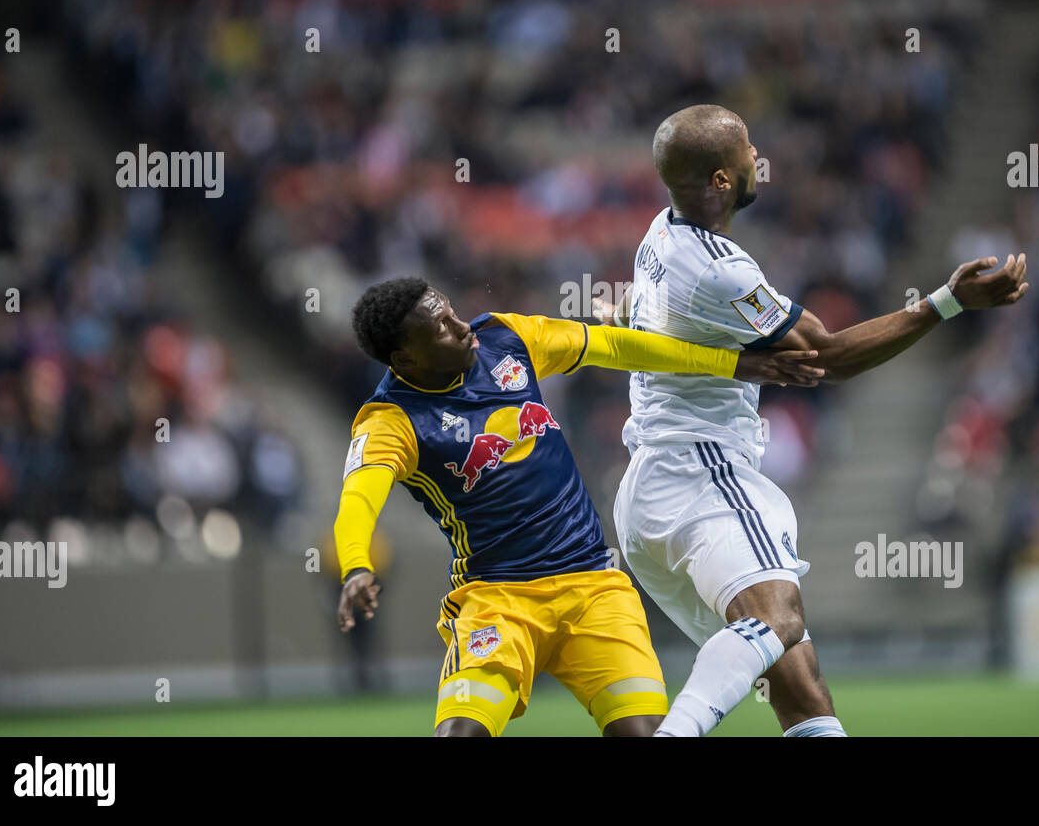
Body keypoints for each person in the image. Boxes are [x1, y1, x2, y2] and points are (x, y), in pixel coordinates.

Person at [599, 104, 1029, 736]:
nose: (757, 156)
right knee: (778, 621)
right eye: (747, 147)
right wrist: (948, 302)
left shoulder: (658, 234)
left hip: (649, 497)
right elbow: (829, 359)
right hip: (701, 474)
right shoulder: (722, 270)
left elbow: (644, 309)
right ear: (721, 179)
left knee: (797, 684)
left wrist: (728, 360)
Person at [333, 277, 824, 736]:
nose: (462, 327)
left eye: (453, 314)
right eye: (440, 328)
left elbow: (613, 346)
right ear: (406, 358)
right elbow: (358, 499)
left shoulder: (506, 338)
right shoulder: (390, 421)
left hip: (593, 588)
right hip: (498, 602)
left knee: (644, 733)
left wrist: (732, 365)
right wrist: (356, 565)